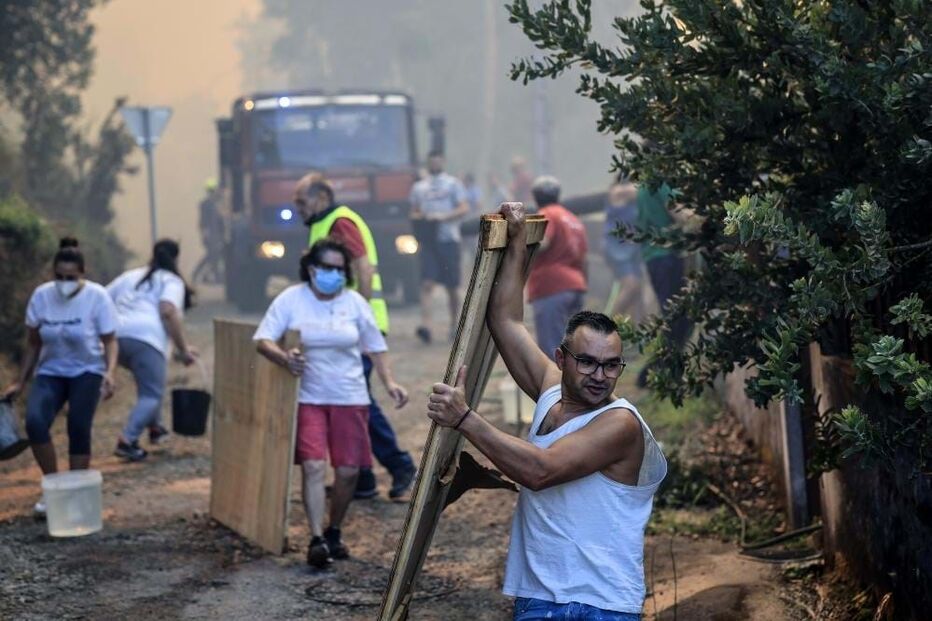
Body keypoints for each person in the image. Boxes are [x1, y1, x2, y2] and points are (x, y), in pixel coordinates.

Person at [427, 203, 667, 620]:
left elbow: (540, 471)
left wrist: (464, 418)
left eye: (611, 365)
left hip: (601, 605)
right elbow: (505, 320)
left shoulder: (620, 424)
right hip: (539, 597)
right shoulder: (551, 392)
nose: (600, 376)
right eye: (587, 362)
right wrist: (518, 242)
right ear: (561, 358)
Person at [254, 240, 409, 568]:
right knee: (312, 466)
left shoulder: (354, 303)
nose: (335, 274)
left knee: (349, 472)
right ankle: (316, 539)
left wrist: (390, 383)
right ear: (311, 269)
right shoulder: (292, 299)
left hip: (350, 397)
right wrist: (284, 358)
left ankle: (334, 529)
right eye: (328, 268)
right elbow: (263, 339)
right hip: (309, 397)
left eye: (340, 269)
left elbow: (375, 347)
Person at [293, 172, 417, 502]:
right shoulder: (322, 224)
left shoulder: (340, 222)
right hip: (345, 328)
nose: (298, 209)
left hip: (359, 328)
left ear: (321, 197)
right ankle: (362, 478)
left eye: (302, 202)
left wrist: (358, 317)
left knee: (358, 400)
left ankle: (401, 466)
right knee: (349, 400)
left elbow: (363, 267)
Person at [1, 238, 119, 517]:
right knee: (35, 422)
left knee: (78, 425)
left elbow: (110, 340)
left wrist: (110, 372)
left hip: (87, 370)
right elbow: (33, 343)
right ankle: (54, 489)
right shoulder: (42, 297)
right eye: (60, 277)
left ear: (82, 274)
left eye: (71, 277)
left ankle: (76, 492)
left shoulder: (97, 297)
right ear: (53, 273)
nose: (65, 282)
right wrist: (20, 381)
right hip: (50, 371)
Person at [107, 239, 198, 461]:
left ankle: (156, 427)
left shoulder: (129, 276)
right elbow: (168, 310)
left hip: (116, 337)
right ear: (175, 258)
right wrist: (183, 349)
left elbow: (101, 299)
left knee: (147, 382)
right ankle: (127, 440)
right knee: (152, 394)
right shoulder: (171, 280)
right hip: (146, 339)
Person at [409, 151, 470, 344]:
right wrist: (423, 218)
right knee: (427, 283)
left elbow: (464, 207)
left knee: (452, 286)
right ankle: (426, 325)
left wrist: (444, 217)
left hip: (449, 239)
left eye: (437, 161)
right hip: (429, 240)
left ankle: (454, 324)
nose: (434, 164)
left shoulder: (452, 184)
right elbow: (414, 211)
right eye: (431, 162)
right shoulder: (419, 187)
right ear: (428, 163)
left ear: (442, 162)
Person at [526, 176, 589, 359]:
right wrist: (582, 284)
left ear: (535, 197)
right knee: (573, 348)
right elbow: (584, 259)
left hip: (551, 288)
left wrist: (519, 247)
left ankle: (557, 379)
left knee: (552, 350)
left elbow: (543, 242)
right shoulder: (573, 219)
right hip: (575, 287)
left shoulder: (546, 214)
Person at [635, 181, 690, 387]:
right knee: (677, 317)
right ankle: (656, 373)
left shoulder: (645, 186)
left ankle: (661, 371)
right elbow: (681, 215)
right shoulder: (661, 183)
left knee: (675, 316)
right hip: (666, 255)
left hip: (655, 256)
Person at [603, 178, 645, 323]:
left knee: (637, 291)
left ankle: (633, 326)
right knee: (630, 285)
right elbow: (637, 191)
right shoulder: (618, 191)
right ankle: (608, 325)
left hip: (633, 250)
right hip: (618, 249)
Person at [191, 178, 225, 285]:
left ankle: (208, 275)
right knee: (212, 255)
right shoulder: (206, 204)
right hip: (211, 234)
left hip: (216, 234)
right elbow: (204, 221)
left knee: (213, 255)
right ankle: (203, 275)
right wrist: (205, 234)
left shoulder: (215, 204)